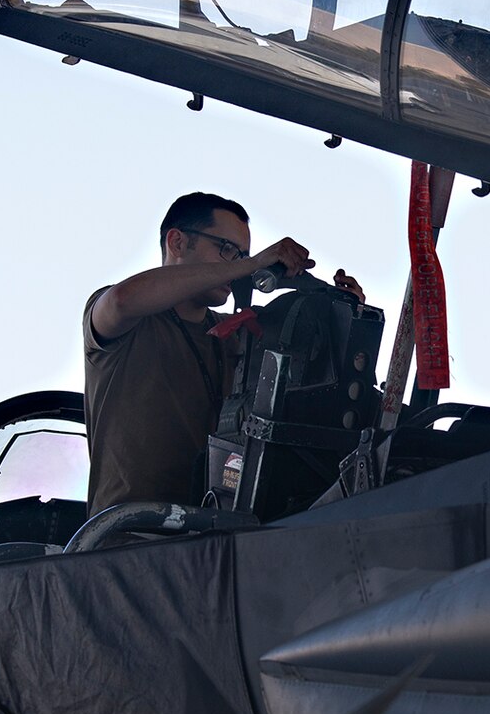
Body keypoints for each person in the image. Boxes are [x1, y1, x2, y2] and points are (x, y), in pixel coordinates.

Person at [84, 192, 362, 513]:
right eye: (227, 250)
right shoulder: (125, 319)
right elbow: (122, 299)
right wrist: (252, 264)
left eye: (242, 254)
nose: (237, 266)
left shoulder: (236, 334)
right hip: (129, 538)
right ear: (177, 243)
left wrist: (341, 311)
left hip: (212, 535)